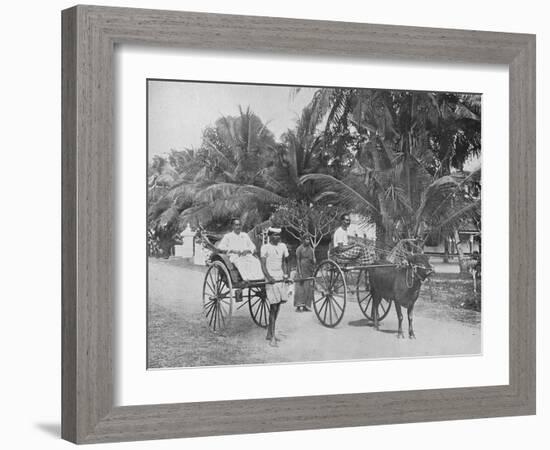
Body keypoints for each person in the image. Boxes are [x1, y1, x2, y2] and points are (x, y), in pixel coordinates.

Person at [260, 227, 290, 347]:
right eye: (275, 235)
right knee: (273, 307)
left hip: (280, 277)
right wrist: (269, 277)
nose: (278, 237)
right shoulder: (265, 247)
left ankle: (269, 332)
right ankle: (272, 337)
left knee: (278, 306)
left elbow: (287, 261)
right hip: (271, 278)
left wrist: (286, 275)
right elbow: (262, 265)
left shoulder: (282, 246)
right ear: (270, 236)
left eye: (279, 235)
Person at [295, 234, 315, 312]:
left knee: (308, 288)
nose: (308, 241)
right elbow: (297, 261)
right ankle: (298, 306)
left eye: (309, 239)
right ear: (303, 240)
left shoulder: (311, 249)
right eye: (306, 239)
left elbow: (313, 260)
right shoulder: (299, 249)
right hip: (301, 268)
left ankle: (306, 306)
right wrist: (299, 272)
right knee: (300, 288)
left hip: (308, 269)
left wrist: (314, 262)